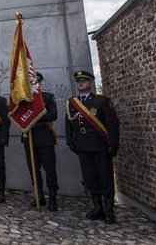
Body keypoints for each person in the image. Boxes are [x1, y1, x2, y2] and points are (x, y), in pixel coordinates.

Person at [65, 70, 120, 223]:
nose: (80, 83)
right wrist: (70, 141)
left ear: (90, 83)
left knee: (105, 177)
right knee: (90, 177)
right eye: (78, 81)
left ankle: (109, 209)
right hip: (82, 145)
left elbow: (112, 125)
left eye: (84, 80)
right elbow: (69, 124)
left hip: (100, 145)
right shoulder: (72, 103)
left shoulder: (101, 102)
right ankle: (97, 207)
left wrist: (112, 144)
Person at [21, 72, 59, 211]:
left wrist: (36, 116)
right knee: (34, 170)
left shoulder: (48, 97)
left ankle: (53, 198)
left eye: (35, 82)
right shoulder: (24, 100)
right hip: (29, 137)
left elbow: (53, 115)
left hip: (45, 137)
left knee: (50, 169)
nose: (33, 84)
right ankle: (39, 196)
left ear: (40, 83)